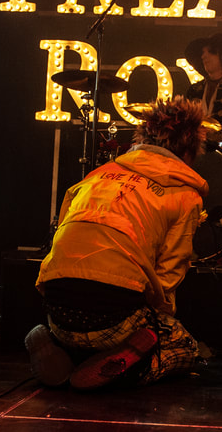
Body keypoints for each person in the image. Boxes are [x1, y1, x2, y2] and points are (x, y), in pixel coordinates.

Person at [25, 97, 211, 390]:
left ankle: (57, 342)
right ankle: (128, 368)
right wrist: (158, 322)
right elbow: (169, 273)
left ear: (142, 138)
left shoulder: (94, 177)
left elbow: (61, 238)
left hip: (57, 310)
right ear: (189, 150)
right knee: (184, 345)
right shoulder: (185, 195)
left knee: (88, 328)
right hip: (114, 318)